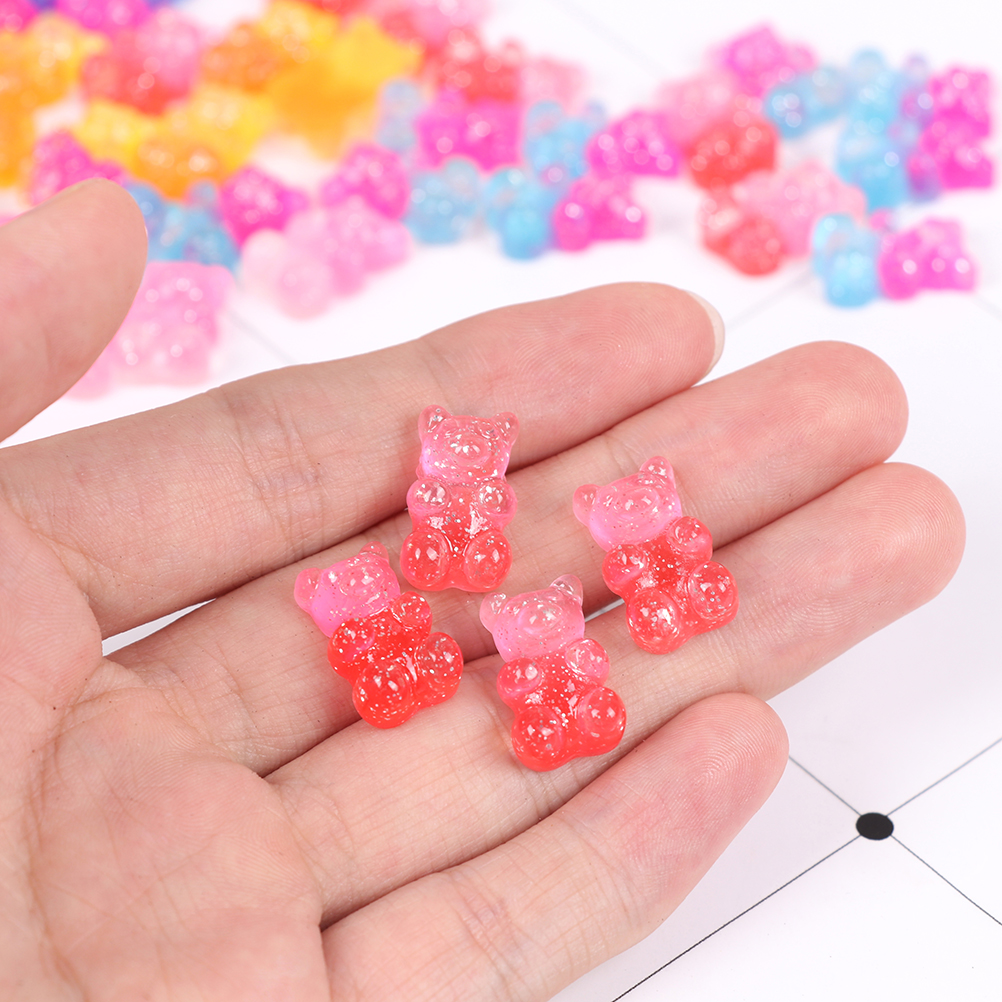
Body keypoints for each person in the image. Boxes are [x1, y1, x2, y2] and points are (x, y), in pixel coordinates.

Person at [0, 180, 964, 1000]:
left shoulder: (599, 530)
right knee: (438, 649)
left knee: (615, 644)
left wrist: (625, 578)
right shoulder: (425, 511)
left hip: (601, 626)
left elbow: (599, 589)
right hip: (433, 630)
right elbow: (412, 598)